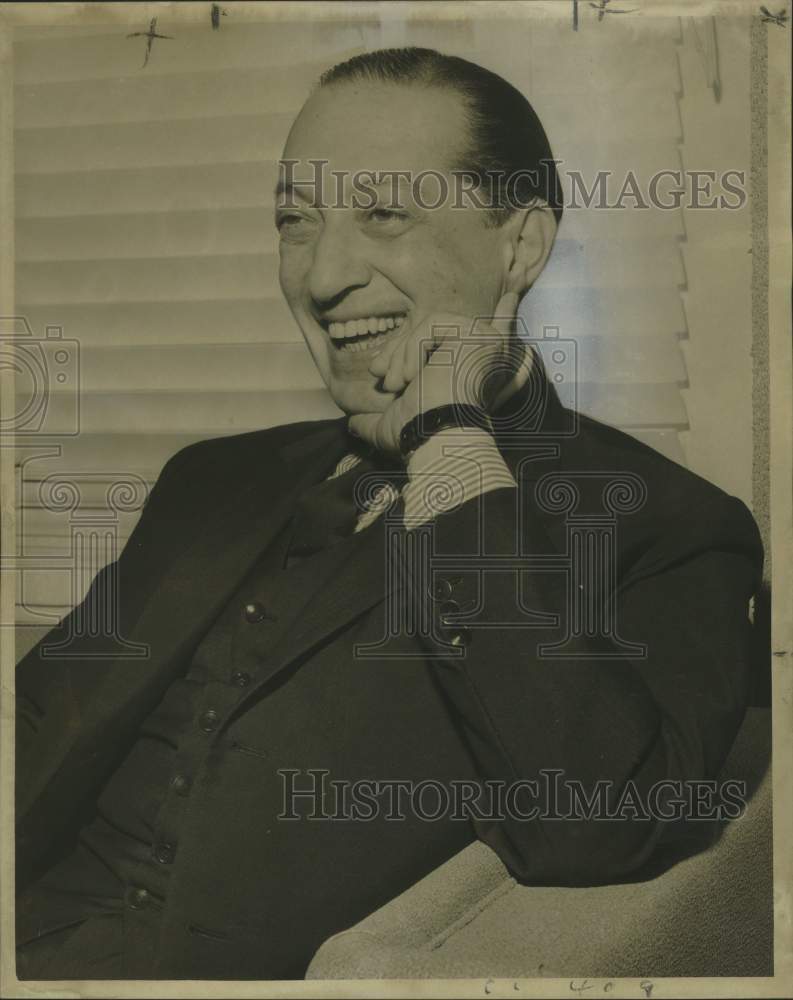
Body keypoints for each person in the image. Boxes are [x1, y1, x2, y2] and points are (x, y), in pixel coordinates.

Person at [15, 47, 763, 980]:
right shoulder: (212, 477)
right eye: (296, 221)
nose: (322, 274)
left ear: (519, 248)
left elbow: (599, 824)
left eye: (383, 214)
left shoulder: (670, 527)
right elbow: (39, 719)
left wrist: (449, 435)